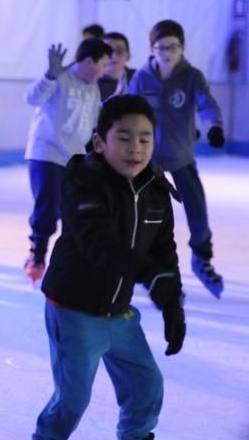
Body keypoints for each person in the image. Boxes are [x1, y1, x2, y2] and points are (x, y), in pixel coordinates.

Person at [6, 94, 194, 440]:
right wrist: (150, 274)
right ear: (98, 143)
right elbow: (98, 243)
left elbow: (165, 251)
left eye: (145, 138)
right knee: (72, 399)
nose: (136, 148)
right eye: (124, 137)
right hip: (75, 307)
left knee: (147, 388)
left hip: (119, 313)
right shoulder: (83, 183)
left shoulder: (154, 189)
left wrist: (172, 304)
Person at [129, 19, 226, 298]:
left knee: (197, 211)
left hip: (181, 157)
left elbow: (206, 104)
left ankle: (201, 259)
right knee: (147, 216)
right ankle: (156, 269)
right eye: (161, 47)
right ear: (151, 48)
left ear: (182, 48)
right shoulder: (142, 77)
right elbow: (129, 107)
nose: (167, 52)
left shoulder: (191, 76)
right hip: (147, 161)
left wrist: (214, 126)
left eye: (173, 46)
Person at [23, 38, 111, 283]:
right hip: (46, 152)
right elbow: (31, 99)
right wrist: (50, 74)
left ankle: (68, 258)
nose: (104, 71)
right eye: (102, 65)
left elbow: (92, 122)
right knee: (48, 206)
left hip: (73, 157)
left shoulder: (93, 88)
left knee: (70, 208)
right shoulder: (60, 77)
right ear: (88, 61)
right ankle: (37, 254)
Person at [97, 31, 135, 101]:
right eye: (107, 51)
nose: (113, 56)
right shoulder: (92, 81)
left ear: (128, 56)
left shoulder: (138, 78)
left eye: (119, 51)